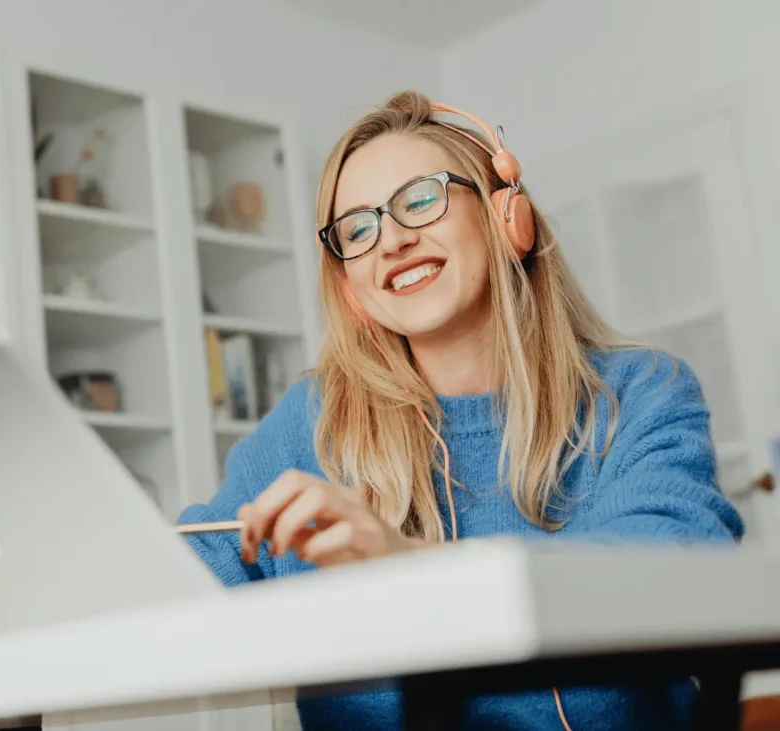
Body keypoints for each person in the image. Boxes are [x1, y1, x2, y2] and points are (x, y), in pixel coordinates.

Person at [177, 90, 744, 730]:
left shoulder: (642, 393)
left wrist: (410, 568)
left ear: (507, 217)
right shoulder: (313, 424)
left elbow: (673, 566)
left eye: (421, 198)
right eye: (358, 229)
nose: (391, 239)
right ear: (351, 288)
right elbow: (182, 588)